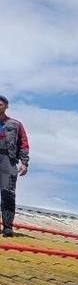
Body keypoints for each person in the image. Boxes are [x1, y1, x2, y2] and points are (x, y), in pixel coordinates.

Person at [0, 95, 31, 237]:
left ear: (6, 106)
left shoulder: (15, 124)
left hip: (8, 160)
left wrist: (24, 163)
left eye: (1, 104)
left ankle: (7, 227)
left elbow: (23, 144)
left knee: (8, 193)